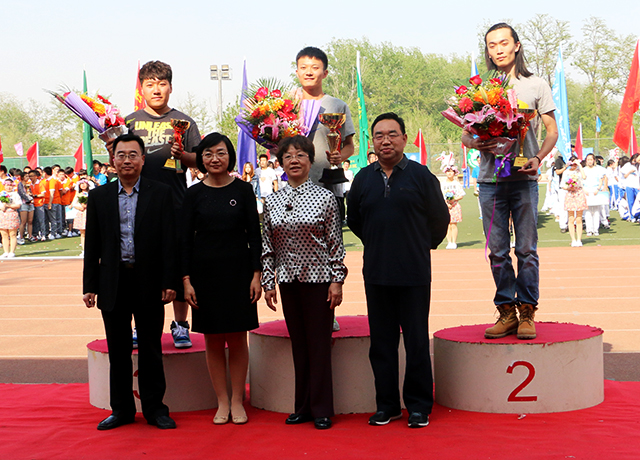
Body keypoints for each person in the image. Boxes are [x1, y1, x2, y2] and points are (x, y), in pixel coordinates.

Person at [347, 113, 449, 428]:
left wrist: (418, 246)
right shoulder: (363, 178)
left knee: (416, 341)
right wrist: (380, 243)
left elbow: (439, 220)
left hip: (414, 273)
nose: (386, 141)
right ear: (372, 142)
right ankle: (387, 405)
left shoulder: (421, 176)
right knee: (382, 343)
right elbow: (355, 220)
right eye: (379, 135)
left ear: (404, 139)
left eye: (392, 134)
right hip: (377, 273)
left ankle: (418, 406)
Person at [462, 23, 558, 340]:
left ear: (517, 45)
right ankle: (506, 312)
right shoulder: (480, 90)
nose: (499, 49)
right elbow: (465, 135)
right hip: (490, 182)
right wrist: (478, 142)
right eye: (492, 45)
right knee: (497, 251)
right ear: (488, 51)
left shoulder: (536, 85)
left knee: (527, 249)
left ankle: (527, 311)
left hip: (523, 179)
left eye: (504, 43)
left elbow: (552, 131)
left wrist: (537, 158)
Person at [83, 133, 177, 431]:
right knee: (118, 349)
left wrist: (169, 280)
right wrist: (90, 285)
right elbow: (92, 244)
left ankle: (155, 409)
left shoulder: (160, 193)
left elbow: (169, 241)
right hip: (113, 281)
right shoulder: (99, 197)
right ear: (113, 160)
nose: (127, 160)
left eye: (133, 155)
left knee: (151, 348)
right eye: (121, 155)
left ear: (142, 159)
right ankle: (121, 409)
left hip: (150, 281)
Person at [108, 60, 202, 349]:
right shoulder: (129, 123)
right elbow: (118, 161)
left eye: (162, 84)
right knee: (141, 266)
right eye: (150, 84)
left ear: (170, 87)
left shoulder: (185, 122)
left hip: (176, 204)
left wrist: (183, 154)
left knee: (178, 265)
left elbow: (199, 161)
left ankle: (180, 325)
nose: (156, 89)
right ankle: (140, 325)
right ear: (142, 89)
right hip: (137, 205)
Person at [262, 135, 347, 430]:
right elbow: (268, 245)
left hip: (319, 281)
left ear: (310, 161)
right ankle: (303, 407)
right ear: (281, 164)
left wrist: (337, 280)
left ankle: (322, 409)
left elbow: (335, 243)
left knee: (319, 345)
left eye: (300, 155)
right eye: (288, 156)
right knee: (299, 344)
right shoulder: (272, 201)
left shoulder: (325, 198)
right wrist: (269, 282)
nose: (294, 160)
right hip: (287, 281)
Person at [181, 133, 261, 425]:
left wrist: (256, 275)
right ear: (200, 159)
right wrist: (186, 280)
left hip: (239, 274)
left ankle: (238, 399)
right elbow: (184, 240)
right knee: (213, 340)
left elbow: (254, 235)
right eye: (208, 154)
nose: (214, 159)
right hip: (204, 276)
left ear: (230, 156)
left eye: (221, 153)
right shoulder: (193, 194)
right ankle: (222, 401)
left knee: (238, 338)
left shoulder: (243, 190)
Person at [560, 157, 587, 247]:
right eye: (572, 164)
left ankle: (579, 239)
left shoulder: (579, 171)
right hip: (570, 194)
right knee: (571, 218)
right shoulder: (566, 172)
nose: (574, 166)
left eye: (575, 164)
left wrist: (580, 165)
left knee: (579, 218)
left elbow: (584, 177)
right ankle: (573, 239)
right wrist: (569, 187)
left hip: (579, 193)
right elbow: (562, 185)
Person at [582, 153, 608, 236]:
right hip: (587, 191)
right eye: (588, 160)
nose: (589, 161)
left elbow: (601, 180)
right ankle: (589, 229)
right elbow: (581, 181)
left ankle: (595, 229)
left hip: (596, 191)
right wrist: (584, 190)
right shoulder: (583, 170)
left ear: (594, 160)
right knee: (587, 212)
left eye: (591, 159)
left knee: (596, 211)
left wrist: (598, 189)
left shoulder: (598, 169)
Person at [441, 165, 465, 249]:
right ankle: (449, 242)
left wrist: (453, 199)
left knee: (454, 224)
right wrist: (446, 203)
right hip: (445, 206)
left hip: (455, 205)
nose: (449, 173)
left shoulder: (456, 184)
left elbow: (461, 195)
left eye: (451, 171)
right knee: (447, 224)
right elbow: (440, 195)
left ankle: (454, 242)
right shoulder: (442, 184)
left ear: (454, 173)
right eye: (448, 171)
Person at [1, 179, 23, 258]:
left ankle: (12, 252)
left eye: (10, 185)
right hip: (3, 215)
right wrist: (3, 205)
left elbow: (18, 205)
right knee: (4, 234)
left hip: (12, 214)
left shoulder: (15, 194)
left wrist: (8, 205)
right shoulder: (1, 194)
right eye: (7, 185)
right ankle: (5, 252)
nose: (8, 187)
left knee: (12, 234)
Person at [72, 179, 91, 256]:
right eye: (81, 184)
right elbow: (74, 204)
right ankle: (84, 250)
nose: (83, 185)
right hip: (81, 213)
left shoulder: (91, 193)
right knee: (82, 233)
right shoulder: (78, 194)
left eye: (84, 183)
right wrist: (80, 207)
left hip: (89, 213)